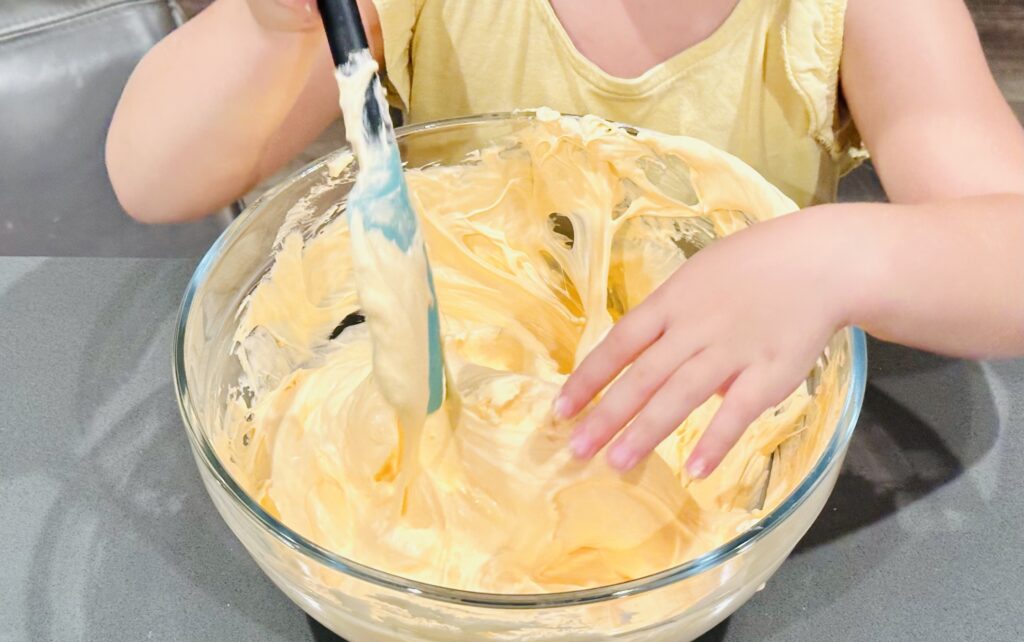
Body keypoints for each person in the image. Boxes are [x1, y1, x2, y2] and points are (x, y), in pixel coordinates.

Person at [107, 0, 1024, 478]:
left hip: (712, 451)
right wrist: (272, 28)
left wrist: (840, 255)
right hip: (447, 419)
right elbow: (151, 175)